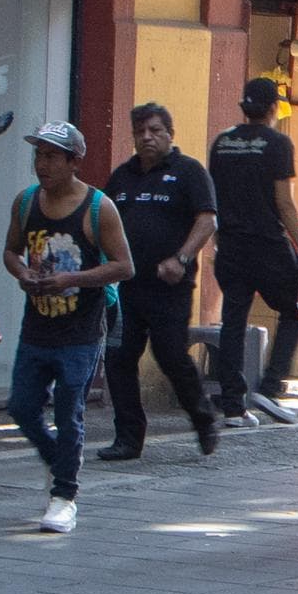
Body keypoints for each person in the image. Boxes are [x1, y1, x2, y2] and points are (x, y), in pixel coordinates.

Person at [0, 124, 127, 536]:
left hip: (81, 330)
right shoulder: (26, 202)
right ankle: (59, 458)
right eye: (38, 155)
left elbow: (124, 266)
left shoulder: (97, 208)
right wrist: (22, 274)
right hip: (37, 326)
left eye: (52, 156)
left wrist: (72, 279)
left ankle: (64, 496)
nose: (42, 165)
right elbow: (10, 252)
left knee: (71, 413)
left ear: (74, 161)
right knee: (21, 405)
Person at [99, 104, 219, 463]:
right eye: (140, 132)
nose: (147, 137)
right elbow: (102, 220)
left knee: (170, 357)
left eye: (154, 130)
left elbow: (207, 221)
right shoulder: (122, 176)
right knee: (119, 359)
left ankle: (202, 417)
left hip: (169, 288)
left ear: (170, 134)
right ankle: (128, 439)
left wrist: (181, 259)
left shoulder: (188, 172)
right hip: (127, 288)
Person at [206, 78, 298, 424]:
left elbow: (212, 197)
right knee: (296, 309)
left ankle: (234, 405)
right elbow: (285, 204)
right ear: (274, 108)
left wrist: (218, 240)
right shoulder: (278, 144)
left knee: (233, 320)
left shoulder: (221, 143)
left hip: (230, 245)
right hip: (267, 245)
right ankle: (271, 386)